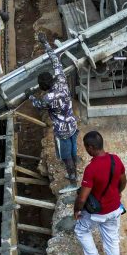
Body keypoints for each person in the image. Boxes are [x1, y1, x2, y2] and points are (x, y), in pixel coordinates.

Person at [72, 131, 126, 255]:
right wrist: (118, 194)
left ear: (91, 147)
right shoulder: (115, 159)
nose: (86, 151)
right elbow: (123, 181)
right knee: (112, 240)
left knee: (81, 230)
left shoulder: (91, 168)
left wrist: (77, 210)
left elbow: (82, 197)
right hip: (115, 209)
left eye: (86, 147)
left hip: (98, 212)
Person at [30, 33, 78, 182]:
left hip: (62, 131)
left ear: (43, 87)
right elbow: (55, 59)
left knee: (66, 156)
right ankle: (74, 170)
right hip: (72, 123)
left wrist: (29, 96)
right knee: (73, 149)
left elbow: (38, 105)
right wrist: (45, 43)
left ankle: (72, 178)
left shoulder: (47, 98)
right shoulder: (61, 79)